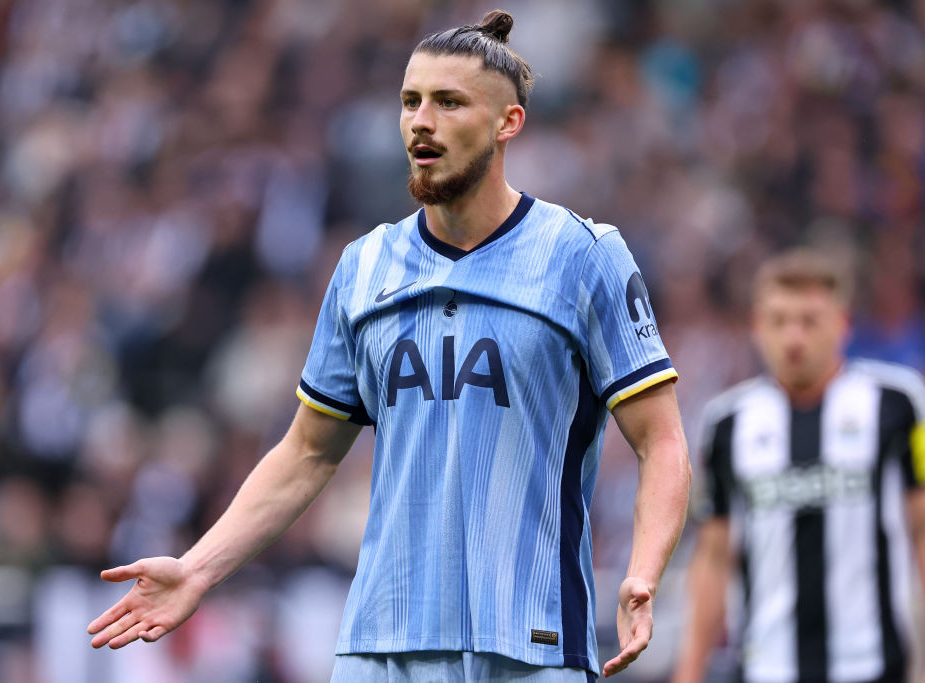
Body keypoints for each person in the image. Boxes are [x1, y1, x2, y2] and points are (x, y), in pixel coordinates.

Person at [87, 10, 691, 681]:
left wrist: (643, 572)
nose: (420, 122)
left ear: (508, 122)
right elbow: (308, 451)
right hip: (381, 648)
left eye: (448, 102)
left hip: (532, 645)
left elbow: (661, 440)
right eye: (410, 102)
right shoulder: (364, 267)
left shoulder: (583, 256)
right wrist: (198, 568)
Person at [673, 249, 925, 683]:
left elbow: (921, 529)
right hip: (766, 669)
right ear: (757, 327)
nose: (793, 337)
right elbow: (713, 557)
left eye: (809, 321)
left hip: (874, 666)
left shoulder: (899, 404)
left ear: (842, 324)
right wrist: (689, 670)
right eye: (779, 321)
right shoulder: (726, 423)